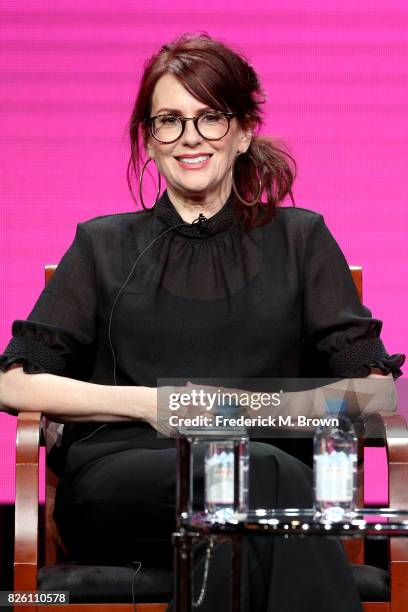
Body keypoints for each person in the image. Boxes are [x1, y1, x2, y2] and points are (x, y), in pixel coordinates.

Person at [0, 33, 405, 612]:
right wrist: (153, 406)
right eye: (169, 120)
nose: (190, 137)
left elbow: (375, 388)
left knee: (234, 517)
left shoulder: (301, 240)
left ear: (242, 133)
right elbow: (13, 382)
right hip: (126, 484)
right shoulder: (102, 245)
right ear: (150, 139)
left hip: (263, 480)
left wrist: (241, 412)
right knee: (253, 477)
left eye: (210, 117)